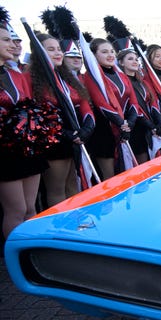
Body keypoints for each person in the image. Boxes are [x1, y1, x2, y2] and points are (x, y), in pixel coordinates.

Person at [28, 33, 94, 207]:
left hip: (75, 140)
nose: (58, 53)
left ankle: (76, 221)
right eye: (51, 49)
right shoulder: (33, 79)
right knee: (57, 190)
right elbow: (38, 115)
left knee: (73, 185)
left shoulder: (67, 78)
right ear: (38, 53)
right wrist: (65, 134)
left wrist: (86, 129)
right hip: (54, 142)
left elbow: (85, 106)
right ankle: (59, 227)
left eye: (58, 49)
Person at [0, 20, 50, 238]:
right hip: (4, 151)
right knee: (16, 210)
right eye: (5, 40)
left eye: (13, 40)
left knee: (31, 208)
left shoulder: (16, 75)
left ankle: (32, 255)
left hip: (28, 147)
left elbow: (29, 106)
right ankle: (15, 261)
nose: (13, 44)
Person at [84, 38, 135, 180]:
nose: (110, 55)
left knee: (127, 172)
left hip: (125, 128)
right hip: (104, 130)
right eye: (104, 52)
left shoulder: (122, 76)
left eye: (112, 51)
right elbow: (101, 104)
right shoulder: (90, 76)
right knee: (110, 176)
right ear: (94, 55)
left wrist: (129, 123)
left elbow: (134, 103)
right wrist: (122, 124)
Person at [117, 49, 161, 165]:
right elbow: (134, 106)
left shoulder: (143, 82)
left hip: (147, 128)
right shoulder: (121, 82)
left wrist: (158, 122)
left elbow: (153, 102)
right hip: (133, 126)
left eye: (136, 59)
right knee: (137, 163)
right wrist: (149, 125)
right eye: (130, 59)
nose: (135, 61)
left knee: (150, 161)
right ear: (121, 62)